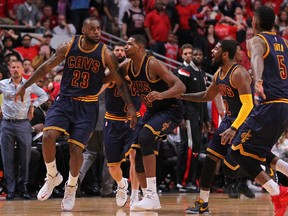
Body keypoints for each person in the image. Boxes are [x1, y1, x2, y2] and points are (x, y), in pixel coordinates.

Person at [15, 17, 137, 211]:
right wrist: (25, 86)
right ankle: (53, 176)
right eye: (93, 29)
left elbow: (119, 80)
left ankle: (71, 187)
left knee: (76, 150)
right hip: (64, 101)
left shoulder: (105, 53)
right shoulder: (68, 45)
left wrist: (130, 106)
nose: (97, 32)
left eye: (99, 29)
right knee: (48, 136)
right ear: (83, 29)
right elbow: (47, 66)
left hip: (87, 106)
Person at [181, 39, 254, 214]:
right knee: (210, 159)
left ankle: (264, 176)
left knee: (231, 168)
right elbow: (207, 95)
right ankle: (203, 203)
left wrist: (234, 128)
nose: (212, 51)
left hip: (244, 123)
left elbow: (249, 105)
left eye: (216, 49)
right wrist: (183, 95)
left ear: (225, 54)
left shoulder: (239, 73)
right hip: (229, 121)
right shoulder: (218, 74)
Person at [228, 6, 288, 216]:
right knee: (257, 150)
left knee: (237, 151)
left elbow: (256, 58)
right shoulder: (284, 42)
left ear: (255, 22)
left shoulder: (258, 40)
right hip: (284, 105)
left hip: (269, 104)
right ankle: (282, 183)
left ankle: (278, 191)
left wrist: (259, 81)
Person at [121, 34, 185, 210]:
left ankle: (152, 195)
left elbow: (180, 86)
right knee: (136, 150)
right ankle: (149, 196)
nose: (125, 47)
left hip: (171, 109)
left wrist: (162, 94)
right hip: (153, 111)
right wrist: (131, 108)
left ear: (140, 48)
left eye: (129, 44)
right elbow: (116, 79)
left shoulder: (152, 63)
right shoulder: (127, 66)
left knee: (146, 136)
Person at [0, 60, 48, 200]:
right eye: (13, 67)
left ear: (22, 69)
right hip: (7, 123)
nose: (15, 69)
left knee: (25, 157)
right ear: (9, 69)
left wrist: (33, 104)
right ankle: (10, 189)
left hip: (23, 123)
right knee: (7, 158)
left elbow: (44, 95)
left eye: (18, 67)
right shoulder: (2, 83)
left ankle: (23, 188)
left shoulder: (29, 84)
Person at [103, 42, 141, 210]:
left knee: (135, 155)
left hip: (133, 120)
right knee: (112, 165)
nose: (119, 52)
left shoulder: (136, 71)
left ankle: (134, 195)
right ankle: (121, 184)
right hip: (112, 120)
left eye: (121, 50)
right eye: (116, 50)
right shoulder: (109, 72)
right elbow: (100, 86)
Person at [176, 48, 210, 192]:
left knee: (196, 148)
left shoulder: (202, 73)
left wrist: (206, 119)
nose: (195, 56)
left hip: (199, 116)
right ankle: (183, 181)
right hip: (189, 116)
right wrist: (181, 116)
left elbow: (205, 97)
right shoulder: (184, 71)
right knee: (190, 148)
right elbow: (179, 94)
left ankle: (191, 179)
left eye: (198, 54)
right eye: (193, 54)